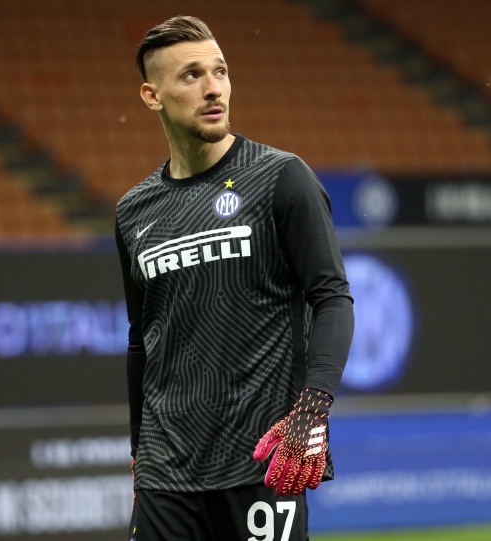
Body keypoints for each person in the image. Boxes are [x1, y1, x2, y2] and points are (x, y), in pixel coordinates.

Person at [115, 15, 354, 541]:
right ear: (152, 96)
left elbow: (333, 299)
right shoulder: (134, 211)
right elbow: (141, 340)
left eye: (219, 71)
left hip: (262, 463)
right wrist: (137, 453)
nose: (213, 88)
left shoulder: (281, 178)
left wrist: (313, 410)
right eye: (191, 75)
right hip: (164, 474)